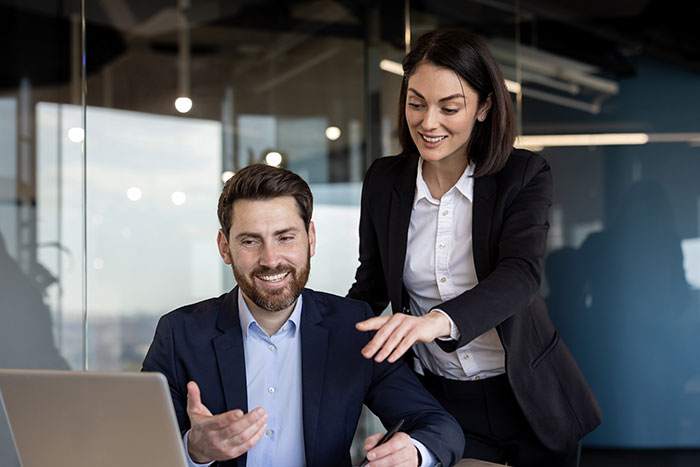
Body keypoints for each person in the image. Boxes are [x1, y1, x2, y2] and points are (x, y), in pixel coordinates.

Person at [347, 29, 601, 467]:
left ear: (484, 107)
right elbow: (370, 285)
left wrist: (435, 322)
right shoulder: (385, 180)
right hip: (444, 402)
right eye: (416, 103)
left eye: (450, 108)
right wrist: (309, 329)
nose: (428, 122)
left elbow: (520, 275)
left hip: (529, 398)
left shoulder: (522, 174)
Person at [142, 164, 465, 467]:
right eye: (250, 241)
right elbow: (135, 447)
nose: (270, 260)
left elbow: (440, 426)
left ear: (311, 239)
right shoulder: (179, 334)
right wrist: (193, 449)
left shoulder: (353, 329)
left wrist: (413, 452)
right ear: (224, 247)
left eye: (285, 237)